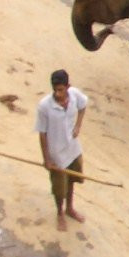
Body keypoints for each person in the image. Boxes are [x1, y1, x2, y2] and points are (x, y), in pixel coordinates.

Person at [34, 68, 88, 232]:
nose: (57, 94)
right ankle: (60, 213)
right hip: (56, 154)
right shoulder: (44, 106)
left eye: (61, 90)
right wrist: (47, 159)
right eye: (55, 90)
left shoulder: (75, 95)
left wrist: (78, 125)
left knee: (72, 180)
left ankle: (70, 208)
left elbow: (83, 106)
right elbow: (42, 134)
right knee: (59, 188)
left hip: (73, 149)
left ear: (68, 86)